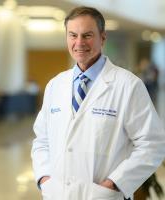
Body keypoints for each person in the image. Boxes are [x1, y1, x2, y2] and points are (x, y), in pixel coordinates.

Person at [32, 6, 165, 200]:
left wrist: (114, 184)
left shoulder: (128, 85)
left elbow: (152, 144)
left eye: (87, 35)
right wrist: (45, 179)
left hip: (103, 195)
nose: (79, 43)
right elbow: (42, 140)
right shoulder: (56, 85)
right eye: (73, 35)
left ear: (103, 37)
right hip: (57, 194)